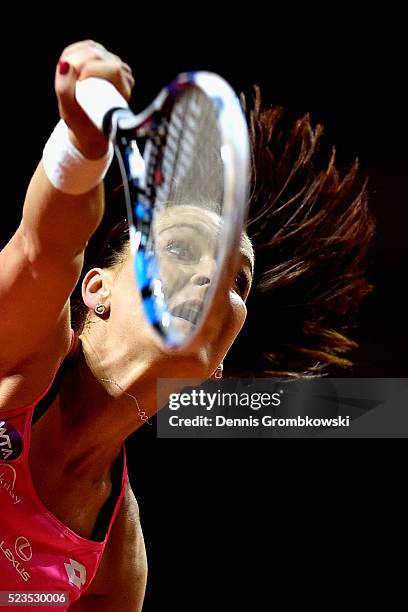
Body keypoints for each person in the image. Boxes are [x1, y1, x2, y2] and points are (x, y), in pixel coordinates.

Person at [0, 40, 373, 610]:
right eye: (180, 247)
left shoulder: (116, 561)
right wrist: (79, 142)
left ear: (216, 367)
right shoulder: (21, 360)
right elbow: (42, 249)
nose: (210, 280)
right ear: (95, 289)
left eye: (237, 281)